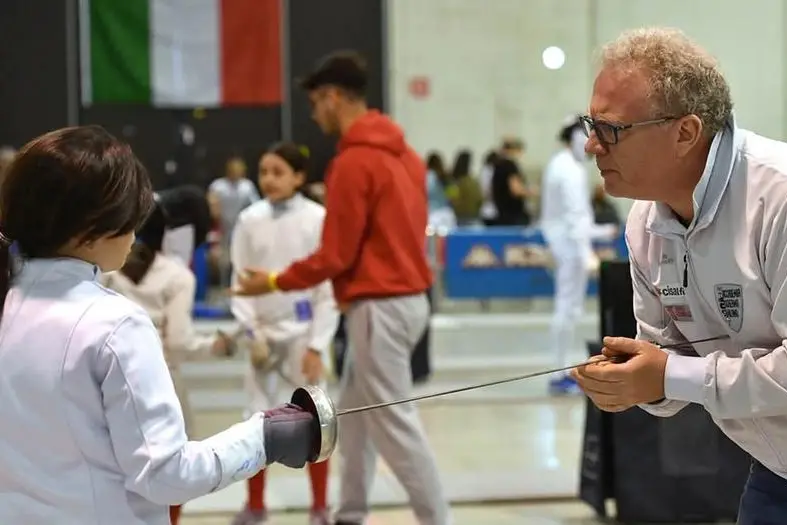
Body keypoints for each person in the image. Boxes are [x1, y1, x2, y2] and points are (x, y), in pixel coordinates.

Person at [0, 126, 322, 525]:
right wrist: (265, 436)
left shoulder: (11, 301)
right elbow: (166, 474)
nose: (135, 232)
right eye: (130, 216)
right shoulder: (114, 325)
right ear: (88, 230)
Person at [571, 27, 787, 524]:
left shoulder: (775, 200)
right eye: (591, 123)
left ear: (685, 133)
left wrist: (669, 375)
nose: (591, 146)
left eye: (611, 129)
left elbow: (680, 374)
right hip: (775, 472)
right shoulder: (645, 224)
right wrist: (632, 382)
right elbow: (668, 371)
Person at [233, 51, 451, 525]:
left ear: (333, 97)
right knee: (354, 417)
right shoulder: (407, 156)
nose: (315, 115)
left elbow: (336, 255)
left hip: (379, 307)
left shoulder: (354, 162)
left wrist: (271, 282)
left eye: (315, 103)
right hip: (410, 302)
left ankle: (439, 520)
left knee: (395, 424)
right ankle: (349, 512)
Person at [101, 188, 234, 525]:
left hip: (107, 379)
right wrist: (214, 346)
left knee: (114, 467)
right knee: (172, 468)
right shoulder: (178, 276)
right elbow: (178, 341)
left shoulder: (105, 271)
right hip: (161, 381)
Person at [229, 142, 339, 525]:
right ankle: (256, 506)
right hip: (262, 335)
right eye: (264, 172)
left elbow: (327, 290)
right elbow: (239, 282)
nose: (269, 180)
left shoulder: (319, 218)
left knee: (316, 422)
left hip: (303, 333)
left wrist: (316, 346)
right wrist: (250, 332)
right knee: (256, 421)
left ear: (298, 176)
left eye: (278, 172)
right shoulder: (248, 219)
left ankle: (320, 506)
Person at [540, 116, 594, 395]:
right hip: (570, 249)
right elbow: (573, 218)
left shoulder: (562, 165)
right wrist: (586, 253)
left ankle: (561, 370)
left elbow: (576, 218)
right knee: (566, 309)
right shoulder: (568, 170)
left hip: (568, 245)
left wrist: (597, 233)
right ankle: (559, 372)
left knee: (568, 309)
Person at [208, 156, 260, 284]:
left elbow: (256, 206)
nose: (236, 172)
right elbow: (211, 203)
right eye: (233, 169)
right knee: (222, 261)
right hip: (222, 227)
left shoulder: (247, 186)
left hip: (241, 227)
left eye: (239, 170)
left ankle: (239, 285)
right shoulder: (218, 185)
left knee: (240, 258)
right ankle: (222, 287)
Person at [490, 137, 531, 226]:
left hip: (502, 212)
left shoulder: (497, 166)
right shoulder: (510, 166)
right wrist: (531, 191)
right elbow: (515, 189)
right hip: (514, 214)